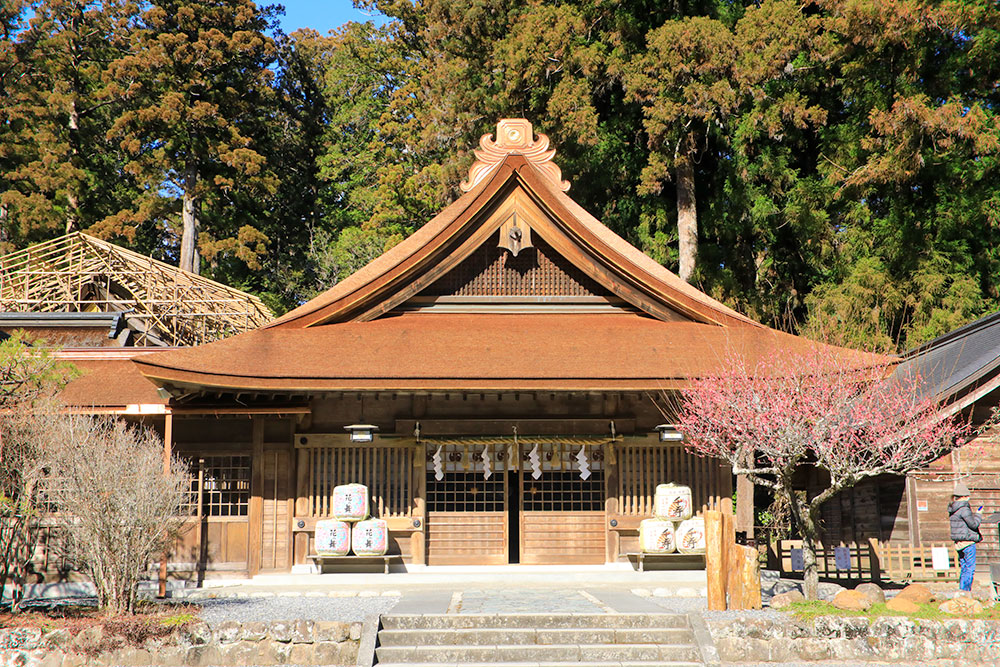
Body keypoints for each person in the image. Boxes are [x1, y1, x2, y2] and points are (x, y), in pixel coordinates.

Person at [949, 482, 982, 592]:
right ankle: (966, 591)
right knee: (970, 568)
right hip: (968, 541)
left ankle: (962, 591)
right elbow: (973, 524)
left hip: (959, 542)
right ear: (963, 496)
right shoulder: (964, 509)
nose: (968, 498)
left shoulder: (953, 509)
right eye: (967, 496)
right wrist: (978, 514)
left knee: (964, 568)